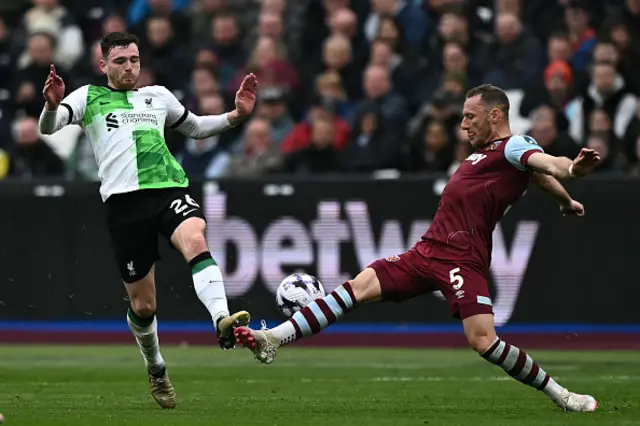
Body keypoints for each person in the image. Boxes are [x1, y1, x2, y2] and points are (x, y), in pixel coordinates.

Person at [234, 84, 601, 412]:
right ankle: (273, 338)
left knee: (484, 341)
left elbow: (548, 164)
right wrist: (565, 201)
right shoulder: (492, 154)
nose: (463, 125)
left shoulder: (515, 145)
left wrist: (572, 172)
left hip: (461, 259)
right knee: (356, 287)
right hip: (426, 252)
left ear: (495, 114)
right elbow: (536, 176)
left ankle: (561, 395)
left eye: (470, 117)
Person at [38, 32, 258, 409]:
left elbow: (194, 127)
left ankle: (222, 318)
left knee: (196, 238)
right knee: (143, 306)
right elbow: (48, 128)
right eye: (120, 61)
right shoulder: (88, 97)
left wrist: (235, 116)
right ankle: (156, 367)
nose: (129, 67)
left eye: (134, 60)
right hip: (124, 206)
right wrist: (50, 106)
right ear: (103, 64)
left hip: (168, 189)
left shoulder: (158, 96)